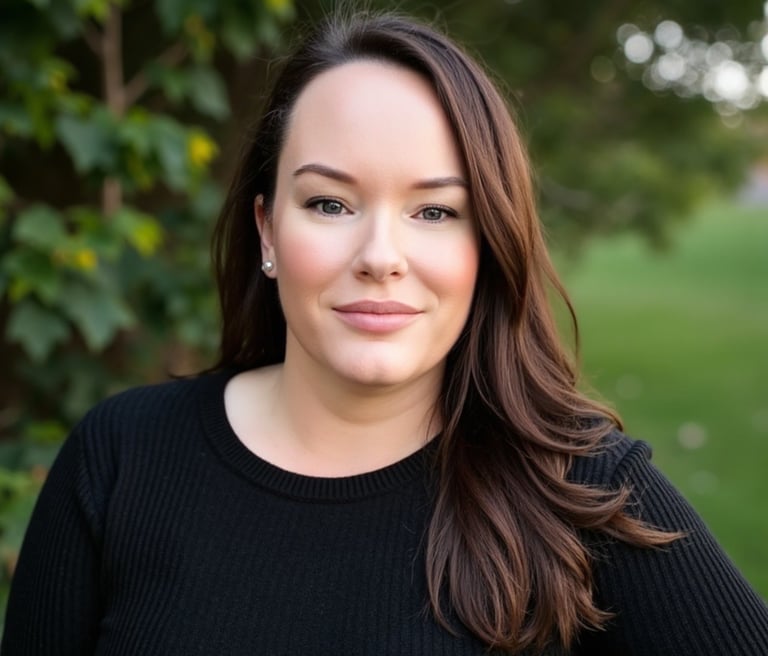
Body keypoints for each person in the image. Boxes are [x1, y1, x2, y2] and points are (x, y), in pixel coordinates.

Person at [2, 10, 767, 656]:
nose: (380, 258)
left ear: (489, 244)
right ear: (267, 227)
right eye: (330, 204)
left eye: (435, 211)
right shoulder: (120, 457)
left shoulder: (580, 488)